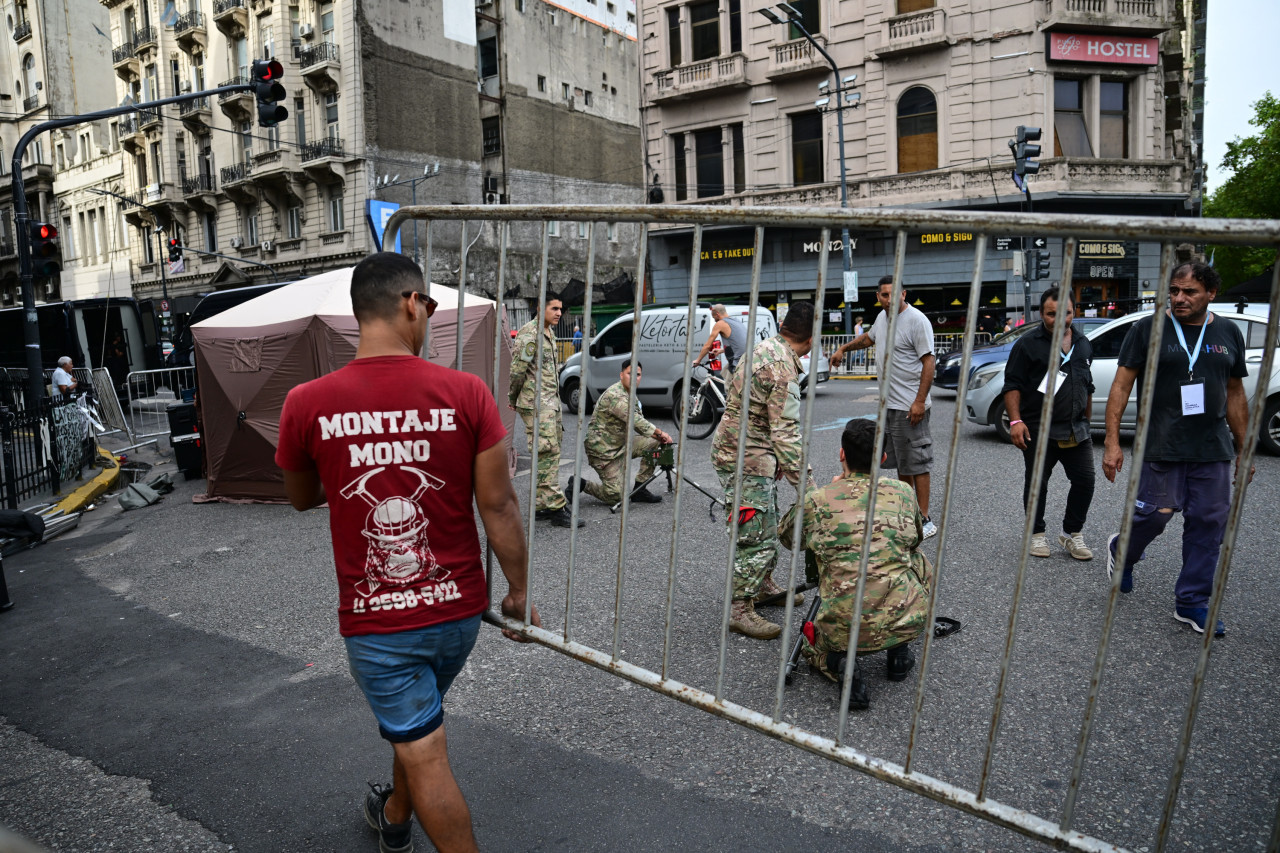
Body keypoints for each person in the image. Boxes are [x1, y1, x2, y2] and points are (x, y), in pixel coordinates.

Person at [275, 252, 540, 853]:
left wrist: (351, 455)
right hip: (457, 615)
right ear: (408, 303)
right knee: (419, 726)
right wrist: (520, 594)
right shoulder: (467, 393)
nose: (430, 318)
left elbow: (300, 497)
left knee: (425, 752)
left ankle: (405, 816)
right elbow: (499, 508)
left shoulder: (306, 403)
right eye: (431, 306)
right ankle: (394, 819)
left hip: (380, 625)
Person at [1102, 261, 1253, 638]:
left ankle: (1192, 602)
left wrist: (1244, 448)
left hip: (1212, 447)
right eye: (1174, 291)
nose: (1179, 298)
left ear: (1211, 293)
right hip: (1161, 442)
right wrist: (1111, 441)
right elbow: (1120, 386)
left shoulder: (1229, 332)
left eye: (1190, 292)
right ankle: (1123, 551)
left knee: (1208, 525)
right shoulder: (1147, 329)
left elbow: (1235, 393)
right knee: (1155, 516)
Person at [779, 418, 934, 710]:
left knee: (817, 644)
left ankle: (840, 664)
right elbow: (914, 539)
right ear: (884, 458)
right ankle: (899, 651)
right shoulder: (902, 492)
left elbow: (787, 538)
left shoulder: (819, 499)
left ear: (842, 454)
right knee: (916, 560)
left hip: (843, 628)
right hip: (905, 620)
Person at [711, 301, 815, 640]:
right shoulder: (782, 368)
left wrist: (776, 458)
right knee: (754, 536)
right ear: (811, 338)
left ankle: (763, 585)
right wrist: (810, 489)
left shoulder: (763, 349)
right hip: (745, 459)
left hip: (750, 451)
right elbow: (786, 433)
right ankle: (740, 610)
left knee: (766, 524)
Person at [828, 276, 938, 539]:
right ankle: (906, 507)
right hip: (890, 405)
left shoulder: (917, 320)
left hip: (910, 405)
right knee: (902, 460)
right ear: (878, 296)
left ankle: (925, 519)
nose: (889, 300)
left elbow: (929, 362)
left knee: (918, 462)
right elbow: (868, 338)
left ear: (904, 293)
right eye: (884, 295)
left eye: (894, 294)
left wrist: (919, 401)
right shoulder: (882, 318)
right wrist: (844, 347)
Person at [1002, 287, 1096, 560]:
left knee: (1085, 482)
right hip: (1038, 429)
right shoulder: (1027, 344)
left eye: (1065, 313)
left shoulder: (1083, 343)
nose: (1058, 319)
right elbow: (1012, 385)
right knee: (1037, 484)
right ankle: (1036, 535)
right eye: (1051, 314)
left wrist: (1087, 423)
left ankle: (1071, 534)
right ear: (1042, 314)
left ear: (1074, 312)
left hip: (1076, 429)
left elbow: (1087, 385)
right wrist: (1016, 420)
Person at [509, 295, 581, 528]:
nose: (559, 312)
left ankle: (542, 505)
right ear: (541, 308)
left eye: (561, 308)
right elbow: (518, 370)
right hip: (537, 405)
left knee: (550, 451)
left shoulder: (549, 333)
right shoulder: (530, 334)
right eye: (554, 308)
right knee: (547, 451)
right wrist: (512, 397)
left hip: (550, 403)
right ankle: (558, 508)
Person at [567, 359, 673, 506]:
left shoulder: (630, 394)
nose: (635, 378)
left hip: (622, 443)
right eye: (630, 373)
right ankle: (582, 484)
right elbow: (637, 422)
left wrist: (659, 437)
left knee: (655, 442)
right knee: (617, 497)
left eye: (638, 374)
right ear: (621, 375)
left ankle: (640, 489)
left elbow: (641, 426)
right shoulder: (616, 395)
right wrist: (662, 433)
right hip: (603, 451)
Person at [693, 303, 749, 373]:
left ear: (717, 314)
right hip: (747, 360)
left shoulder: (721, 323)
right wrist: (721, 350)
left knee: (729, 382)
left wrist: (698, 360)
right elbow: (739, 344)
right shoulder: (736, 321)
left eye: (714, 317)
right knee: (724, 373)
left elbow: (708, 345)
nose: (714, 320)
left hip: (738, 364)